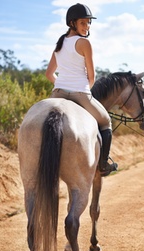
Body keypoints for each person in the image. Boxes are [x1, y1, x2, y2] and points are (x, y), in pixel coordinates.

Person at [45, 3, 118, 176]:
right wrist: (82, 90)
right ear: (73, 23)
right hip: (80, 93)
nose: (87, 27)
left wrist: (61, 85)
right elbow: (91, 77)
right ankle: (103, 164)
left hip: (57, 93)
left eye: (89, 23)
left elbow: (49, 74)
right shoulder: (84, 43)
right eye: (83, 23)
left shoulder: (59, 44)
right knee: (106, 121)